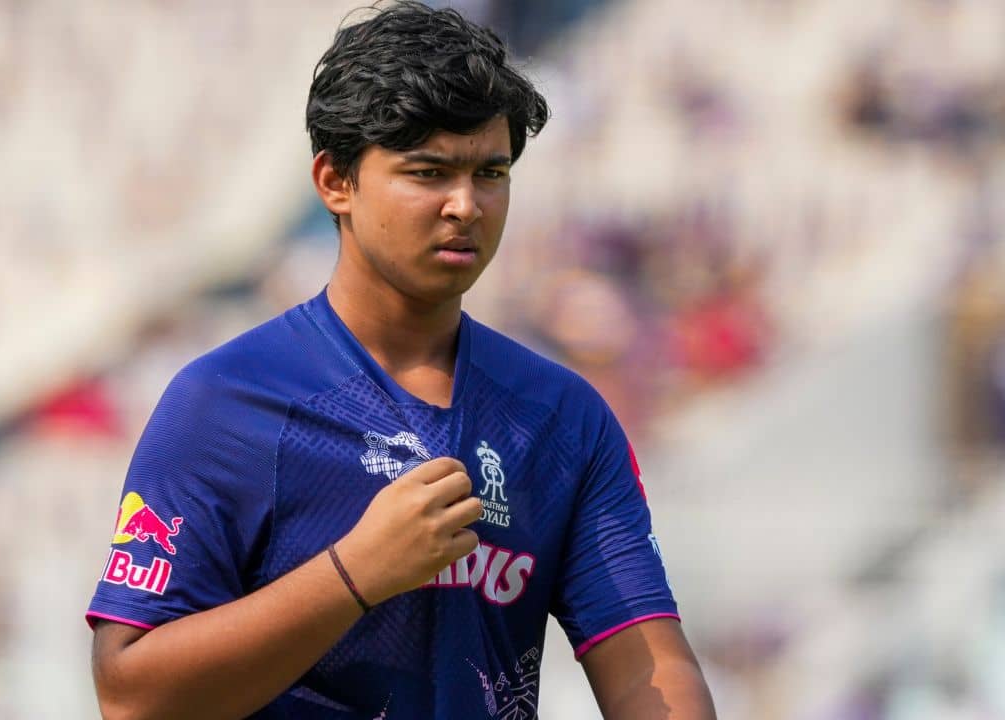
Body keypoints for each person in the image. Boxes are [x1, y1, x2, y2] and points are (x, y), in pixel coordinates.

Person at [87, 3, 716, 718]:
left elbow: (646, 668)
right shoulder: (224, 404)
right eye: (428, 172)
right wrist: (355, 573)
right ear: (336, 182)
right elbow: (131, 698)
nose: (466, 205)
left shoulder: (561, 417)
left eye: (491, 172)